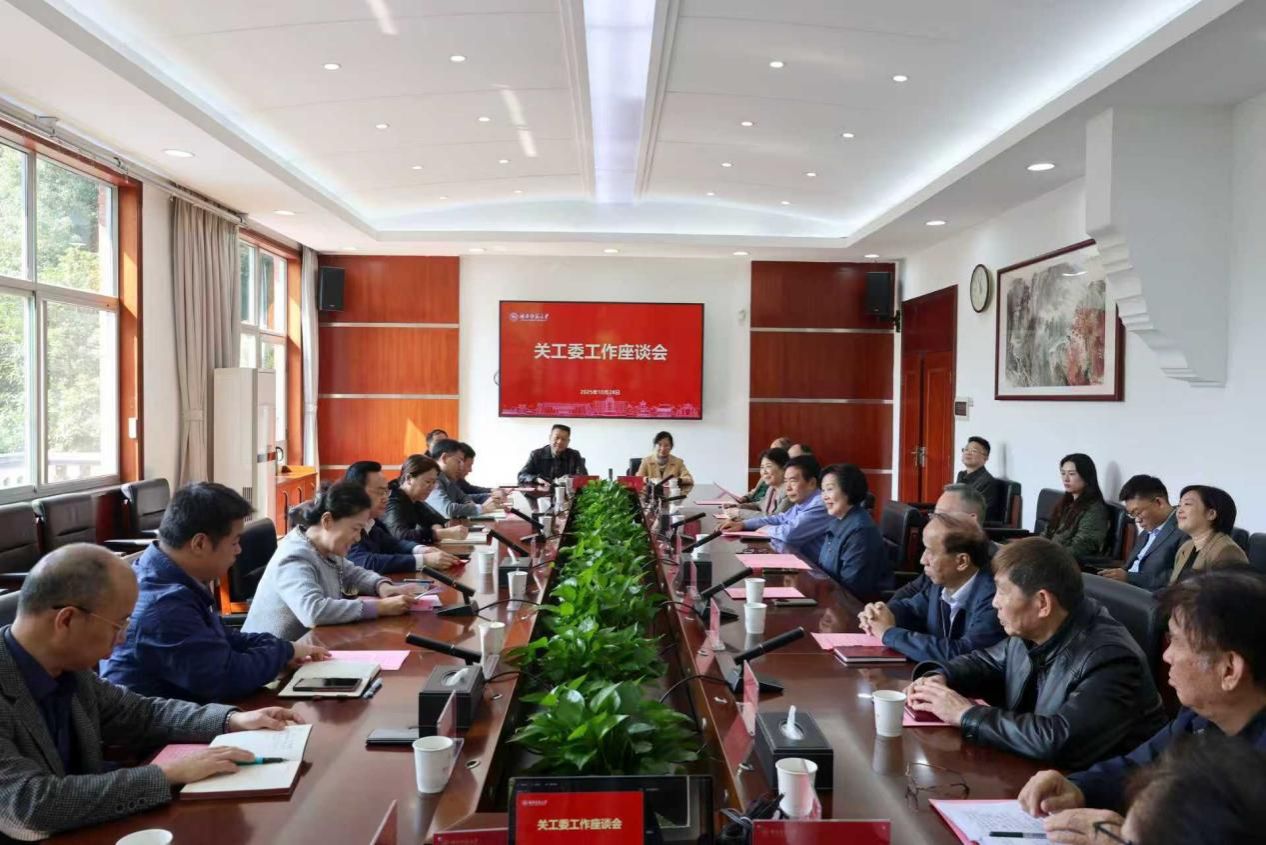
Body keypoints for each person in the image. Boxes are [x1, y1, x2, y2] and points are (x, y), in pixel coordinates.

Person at [0, 544, 302, 841]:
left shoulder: (69, 667)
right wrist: (167, 774)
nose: (122, 639)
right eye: (118, 624)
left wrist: (231, 720)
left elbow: (140, 713)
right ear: (66, 620)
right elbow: (30, 804)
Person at [1016, 568, 1266, 837]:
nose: (1167, 656)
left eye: (1177, 642)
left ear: (1229, 670)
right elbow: (1139, 767)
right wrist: (1078, 788)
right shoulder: (1200, 716)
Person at [904, 536, 1166, 769]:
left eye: (1002, 592)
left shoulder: (1111, 658)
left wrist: (965, 715)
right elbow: (984, 661)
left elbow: (1059, 740)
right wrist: (940, 677)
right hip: (1034, 775)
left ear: (1042, 602)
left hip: (1099, 796)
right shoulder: (1034, 630)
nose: (994, 602)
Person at [100, 483, 328, 703]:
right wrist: (282, 653)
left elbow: (226, 638)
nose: (239, 550)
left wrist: (286, 650)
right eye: (234, 542)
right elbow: (226, 677)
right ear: (200, 544)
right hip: (160, 727)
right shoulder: (163, 605)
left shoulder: (166, 575)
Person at [242, 481, 421, 640]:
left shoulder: (324, 546)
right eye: (355, 529)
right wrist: (379, 607)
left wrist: (382, 586)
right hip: (271, 659)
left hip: (310, 646)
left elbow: (352, 572)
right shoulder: (294, 556)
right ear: (327, 520)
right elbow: (313, 611)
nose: (358, 538)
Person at [859, 512, 1004, 663]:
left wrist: (889, 634)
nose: (922, 560)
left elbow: (963, 654)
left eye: (930, 552)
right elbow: (912, 609)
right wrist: (879, 614)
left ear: (962, 561)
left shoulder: (994, 598)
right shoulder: (943, 582)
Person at [343, 461, 457, 574]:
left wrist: (421, 550)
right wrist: (422, 560)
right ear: (357, 492)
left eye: (386, 492)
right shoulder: (345, 522)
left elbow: (393, 544)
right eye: (379, 492)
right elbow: (365, 562)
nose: (385, 498)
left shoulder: (371, 522)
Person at [720, 455, 833, 561]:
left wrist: (767, 529)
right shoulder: (803, 502)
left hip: (818, 570)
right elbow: (780, 519)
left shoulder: (820, 504)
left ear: (812, 483)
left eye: (793, 481)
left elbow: (790, 534)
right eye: (786, 481)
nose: (788, 487)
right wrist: (743, 524)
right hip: (802, 560)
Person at [1096, 475, 1185, 591]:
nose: (1137, 520)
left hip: (1148, 595)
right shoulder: (1146, 532)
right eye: (1132, 515)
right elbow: (1130, 567)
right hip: (1125, 589)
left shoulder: (1183, 529)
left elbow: (1177, 578)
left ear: (1159, 502)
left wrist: (1129, 578)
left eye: (1137, 513)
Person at [815, 464, 889, 600]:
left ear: (848, 490)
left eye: (829, 489)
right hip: (831, 597)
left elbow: (852, 588)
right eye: (823, 490)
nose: (824, 496)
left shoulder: (860, 532)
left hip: (849, 606)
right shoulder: (838, 521)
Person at [1167, 484, 1248, 584]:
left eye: (1187, 504)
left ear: (1211, 514)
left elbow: (1227, 592)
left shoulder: (1227, 551)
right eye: (1179, 505)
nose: (1179, 510)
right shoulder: (1185, 548)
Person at [383, 454, 469, 545]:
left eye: (434, 482)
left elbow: (436, 520)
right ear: (409, 479)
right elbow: (401, 535)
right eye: (428, 482)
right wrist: (439, 534)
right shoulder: (392, 500)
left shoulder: (413, 499)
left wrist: (436, 528)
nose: (432, 487)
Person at [1042, 453, 1110, 557]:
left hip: (1063, 561)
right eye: (1063, 473)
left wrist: (1048, 556)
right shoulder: (1066, 503)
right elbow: (1047, 533)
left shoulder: (1095, 510)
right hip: (1049, 555)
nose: (1066, 479)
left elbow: (1081, 547)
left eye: (1072, 474)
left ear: (1086, 477)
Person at [427, 439, 504, 519]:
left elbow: (463, 497)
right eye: (458, 461)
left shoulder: (448, 479)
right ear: (444, 458)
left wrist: (471, 505)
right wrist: (482, 509)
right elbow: (448, 509)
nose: (461, 467)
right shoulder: (433, 479)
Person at [517, 424, 588, 484]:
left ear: (568, 441)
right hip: (542, 493)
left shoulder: (574, 455)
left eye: (563, 439)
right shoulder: (536, 455)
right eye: (556, 438)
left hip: (567, 493)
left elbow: (584, 477)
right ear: (550, 438)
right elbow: (522, 475)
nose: (559, 442)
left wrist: (570, 478)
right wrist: (536, 479)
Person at [729, 447, 790, 516]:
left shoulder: (788, 492)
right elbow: (760, 505)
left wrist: (740, 513)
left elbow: (775, 518)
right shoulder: (771, 489)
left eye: (768, 466)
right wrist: (737, 507)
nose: (764, 472)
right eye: (762, 467)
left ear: (783, 468)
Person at [737, 438, 793, 505]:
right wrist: (744, 499)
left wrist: (741, 509)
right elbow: (756, 494)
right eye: (762, 467)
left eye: (774, 451)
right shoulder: (770, 485)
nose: (770, 453)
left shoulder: (786, 491)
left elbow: (773, 512)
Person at [956, 436, 997, 517]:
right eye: (966, 449)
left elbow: (976, 513)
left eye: (974, 451)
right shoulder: (961, 475)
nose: (968, 453)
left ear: (985, 457)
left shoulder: (987, 481)